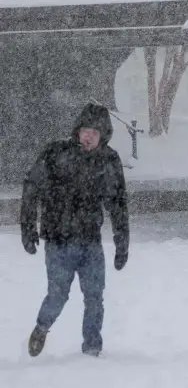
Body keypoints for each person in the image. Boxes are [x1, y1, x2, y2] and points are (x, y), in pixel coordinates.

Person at [20, 103, 130, 358]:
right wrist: (28, 227)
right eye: (85, 130)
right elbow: (31, 187)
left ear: (103, 136)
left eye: (95, 132)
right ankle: (42, 327)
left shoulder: (108, 161)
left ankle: (91, 347)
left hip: (90, 242)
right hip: (58, 241)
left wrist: (122, 242)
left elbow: (118, 203)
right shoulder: (56, 153)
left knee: (94, 297)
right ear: (77, 131)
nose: (89, 136)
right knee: (58, 296)